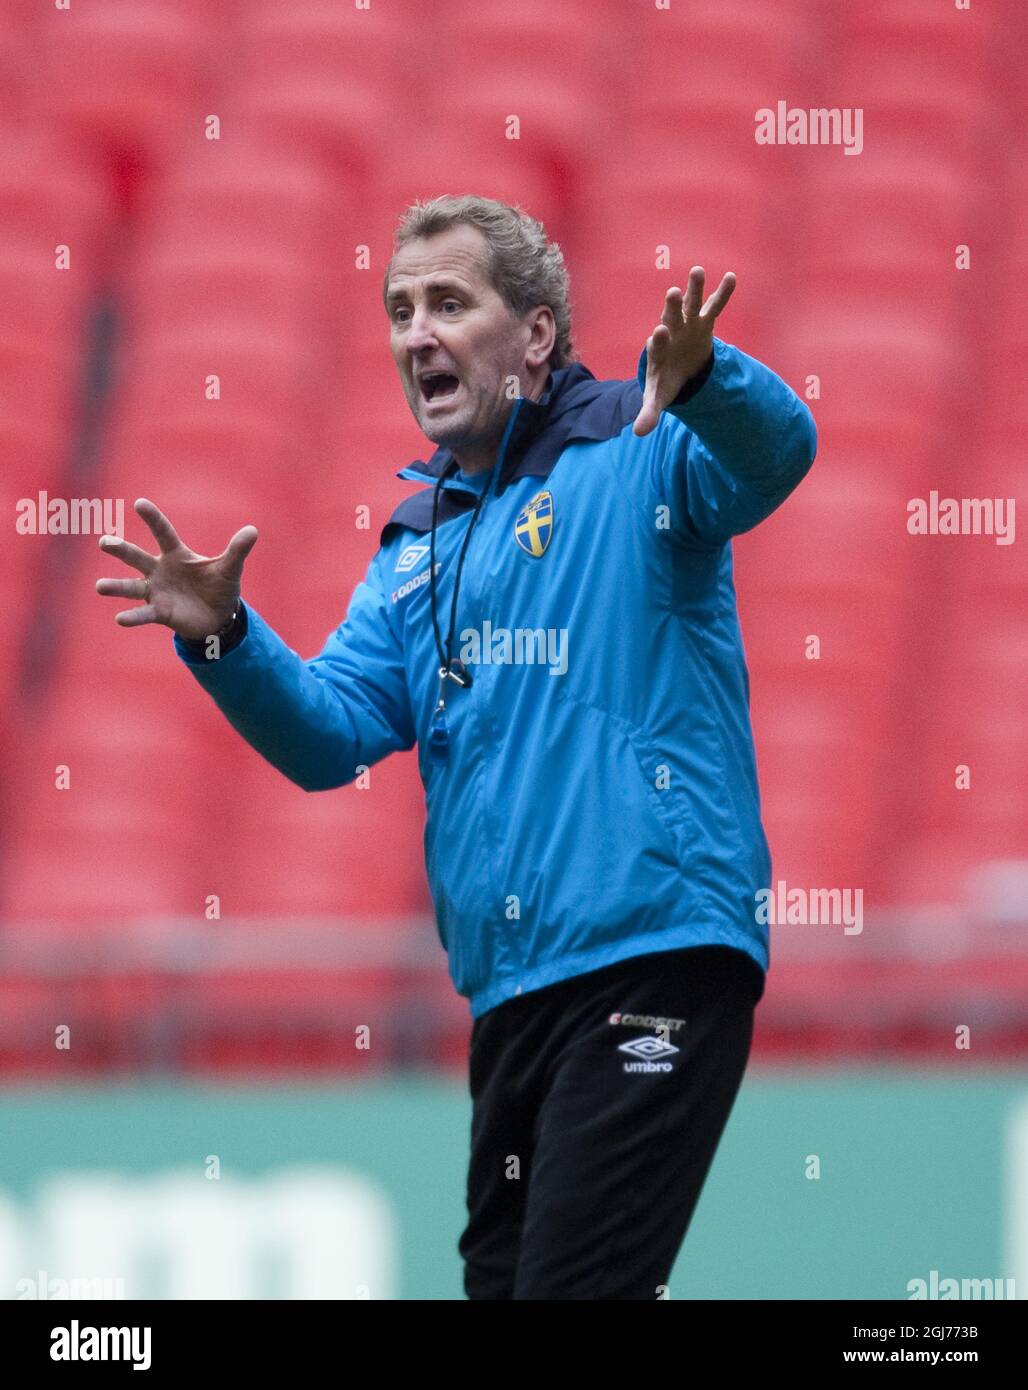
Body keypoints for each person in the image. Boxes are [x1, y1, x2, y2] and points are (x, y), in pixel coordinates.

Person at [97, 194, 817, 1300]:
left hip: (652, 956)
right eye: (397, 310)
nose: (414, 334)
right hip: (515, 1000)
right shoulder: (417, 546)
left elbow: (776, 456)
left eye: (446, 302)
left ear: (534, 332)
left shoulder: (636, 447)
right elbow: (329, 735)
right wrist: (230, 641)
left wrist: (710, 380)